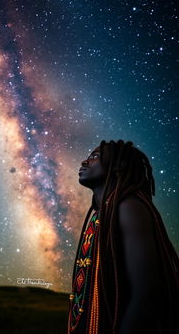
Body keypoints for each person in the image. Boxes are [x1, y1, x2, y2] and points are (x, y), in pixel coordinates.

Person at [67, 139, 179, 334]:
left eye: (95, 157)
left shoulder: (128, 207)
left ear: (119, 166)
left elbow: (147, 294)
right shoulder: (100, 214)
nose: (84, 162)